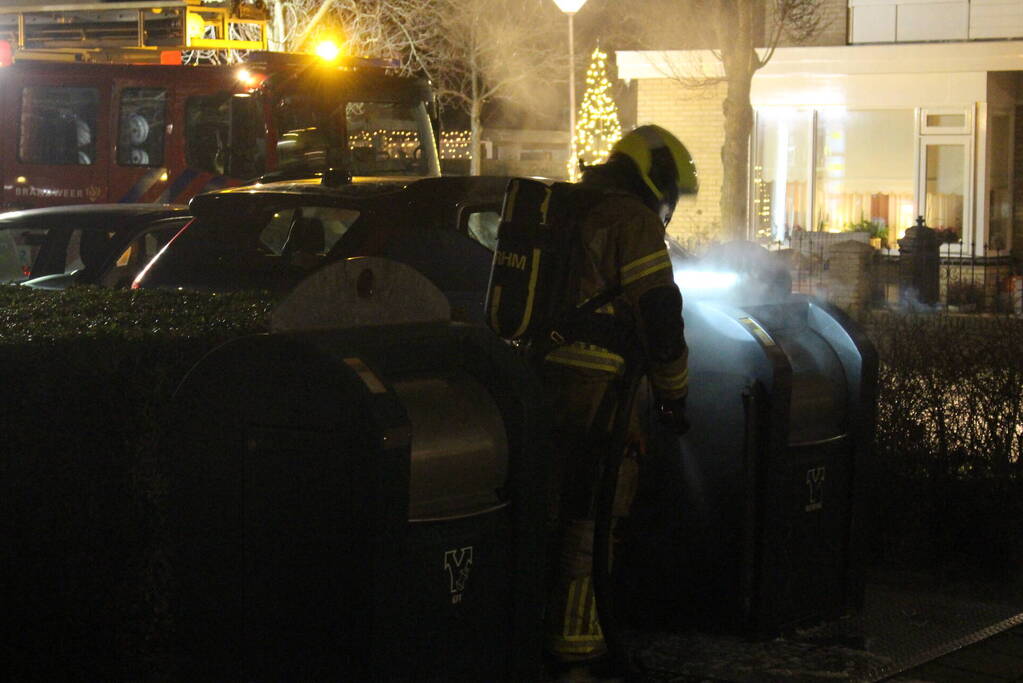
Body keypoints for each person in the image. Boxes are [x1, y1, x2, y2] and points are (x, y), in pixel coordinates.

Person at [542, 125, 697, 672]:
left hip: (534, 384)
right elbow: (660, 314)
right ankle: (578, 654)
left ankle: (525, 637)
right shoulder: (632, 220)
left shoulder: (566, 203)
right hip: (599, 393)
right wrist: (674, 395)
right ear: (658, 179)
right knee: (593, 520)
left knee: (548, 510)